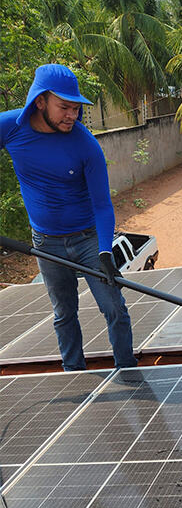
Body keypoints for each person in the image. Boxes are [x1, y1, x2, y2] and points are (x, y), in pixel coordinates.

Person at [0, 64, 136, 371]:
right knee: (64, 313)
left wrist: (105, 252)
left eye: (76, 109)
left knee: (114, 307)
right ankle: (73, 372)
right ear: (40, 101)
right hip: (46, 244)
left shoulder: (85, 145)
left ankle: (128, 369)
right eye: (64, 108)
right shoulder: (11, 127)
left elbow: (103, 205)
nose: (72, 116)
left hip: (88, 239)